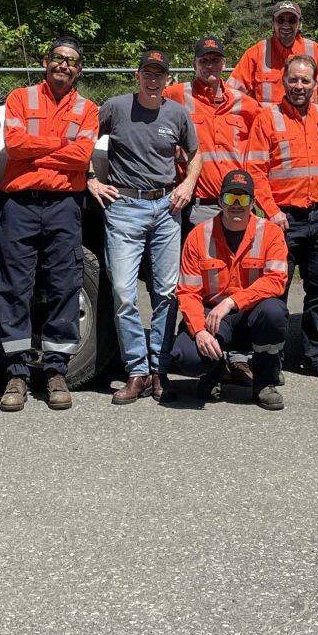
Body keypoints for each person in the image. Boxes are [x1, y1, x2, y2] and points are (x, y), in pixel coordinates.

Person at [91, 48, 202, 404]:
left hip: (166, 207)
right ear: (137, 76)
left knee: (167, 293)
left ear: (168, 79)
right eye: (147, 73)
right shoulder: (117, 108)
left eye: (159, 74)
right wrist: (91, 178)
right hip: (124, 206)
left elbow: (196, 154)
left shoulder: (177, 114)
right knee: (124, 291)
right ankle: (136, 370)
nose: (153, 80)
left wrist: (187, 185)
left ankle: (159, 368)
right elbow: (81, 138)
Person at [0, 35, 99, 412]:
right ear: (46, 61)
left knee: (64, 285)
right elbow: (14, 146)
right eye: (58, 58)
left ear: (79, 69)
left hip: (64, 206)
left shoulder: (88, 108)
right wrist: (59, 146)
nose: (63, 65)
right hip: (20, 204)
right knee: (14, 288)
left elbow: (82, 155)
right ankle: (16, 374)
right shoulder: (21, 98)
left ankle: (57, 371)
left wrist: (38, 148)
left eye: (71, 61)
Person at [248, 53, 318, 380]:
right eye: (293, 79)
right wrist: (272, 211)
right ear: (283, 82)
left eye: (305, 80)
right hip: (283, 222)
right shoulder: (268, 119)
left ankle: (316, 356)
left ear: (316, 84)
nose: (298, 86)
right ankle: (270, 360)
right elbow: (255, 170)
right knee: (275, 291)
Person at [171, 169, 291, 409]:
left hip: (251, 315)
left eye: (243, 199)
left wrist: (232, 302)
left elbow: (276, 280)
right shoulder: (198, 236)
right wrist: (199, 331)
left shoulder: (271, 233)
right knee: (186, 355)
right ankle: (213, 372)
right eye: (230, 198)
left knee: (274, 313)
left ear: (254, 203)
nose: (237, 205)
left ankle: (264, 382)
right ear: (220, 201)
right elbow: (187, 292)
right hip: (213, 316)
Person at [168, 37, 260, 229]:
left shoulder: (246, 104)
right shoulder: (174, 96)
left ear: (224, 64)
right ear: (194, 64)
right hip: (197, 205)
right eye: (204, 61)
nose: (210, 66)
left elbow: (262, 146)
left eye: (215, 60)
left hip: (238, 202)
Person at [232, 0, 318, 107]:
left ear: (300, 24)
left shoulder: (315, 51)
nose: (286, 25)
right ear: (273, 23)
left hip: (304, 127)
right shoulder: (256, 53)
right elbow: (231, 94)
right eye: (280, 20)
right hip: (267, 127)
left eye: (292, 20)